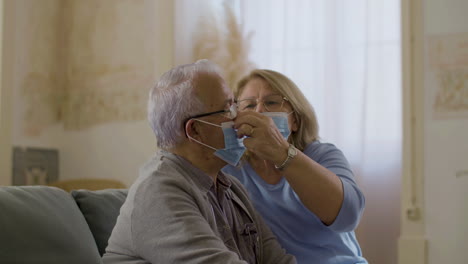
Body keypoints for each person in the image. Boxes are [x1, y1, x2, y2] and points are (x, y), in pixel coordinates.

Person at [102, 60, 296, 264]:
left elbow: (279, 260)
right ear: (195, 130)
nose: (241, 117)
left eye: (235, 105)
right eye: (227, 110)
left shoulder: (232, 189)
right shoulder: (159, 191)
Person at [222, 69, 367, 264]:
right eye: (249, 105)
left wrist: (281, 153)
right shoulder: (230, 169)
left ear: (295, 120)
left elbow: (348, 216)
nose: (259, 112)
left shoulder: (322, 155)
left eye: (271, 102)